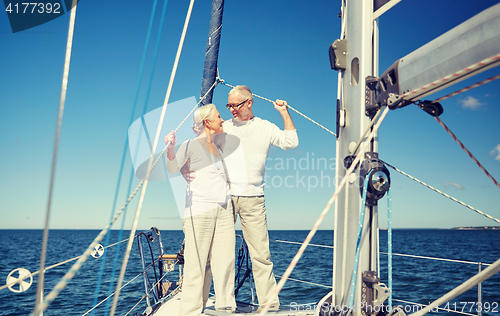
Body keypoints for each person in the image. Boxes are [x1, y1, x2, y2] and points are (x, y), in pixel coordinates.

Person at [183, 85, 298, 310]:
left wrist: (283, 112)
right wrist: (184, 169)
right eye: (229, 105)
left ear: (249, 103)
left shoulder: (265, 127)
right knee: (210, 257)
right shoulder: (224, 127)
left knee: (261, 256)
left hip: (253, 198)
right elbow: (196, 144)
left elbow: (291, 142)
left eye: (235, 105)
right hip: (223, 198)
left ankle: (269, 306)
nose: (231, 110)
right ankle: (201, 305)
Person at [165, 104, 236, 316]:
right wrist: (170, 148)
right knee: (196, 266)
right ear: (207, 122)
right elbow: (171, 167)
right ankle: (191, 312)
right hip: (199, 211)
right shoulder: (190, 144)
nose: (222, 120)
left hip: (224, 210)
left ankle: (226, 308)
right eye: (218, 116)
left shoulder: (221, 146)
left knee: (225, 264)